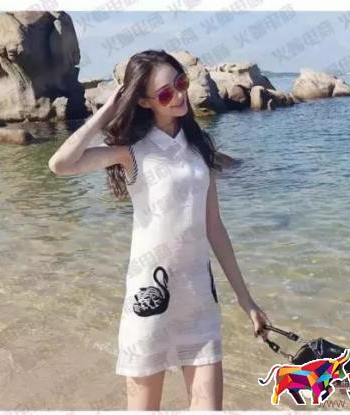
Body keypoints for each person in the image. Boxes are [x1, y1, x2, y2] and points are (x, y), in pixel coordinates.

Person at [48, 49, 271, 410]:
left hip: (199, 297)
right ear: (144, 101)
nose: (180, 95)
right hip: (148, 298)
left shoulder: (200, 146)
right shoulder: (130, 150)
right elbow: (60, 164)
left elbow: (214, 228)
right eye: (166, 93)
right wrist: (107, 110)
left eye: (181, 83)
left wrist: (247, 301)